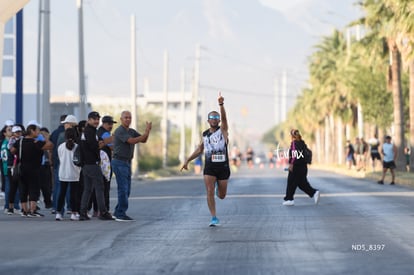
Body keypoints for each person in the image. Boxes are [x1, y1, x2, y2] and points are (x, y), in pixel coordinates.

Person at [180, 93, 230, 226]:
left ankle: (217, 189)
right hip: (210, 167)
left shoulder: (223, 131)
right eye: (211, 117)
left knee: (222, 195)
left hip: (223, 167)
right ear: (208, 121)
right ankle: (214, 217)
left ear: (218, 121)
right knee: (209, 190)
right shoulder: (205, 134)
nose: (214, 119)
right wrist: (187, 160)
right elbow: (200, 149)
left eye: (216, 117)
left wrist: (221, 105)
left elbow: (225, 119)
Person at [112, 111, 152, 222]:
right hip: (119, 162)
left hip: (126, 163)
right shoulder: (119, 131)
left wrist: (147, 131)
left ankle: (118, 211)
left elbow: (143, 140)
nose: (128, 119)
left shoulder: (131, 131)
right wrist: (145, 134)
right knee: (123, 189)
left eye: (129, 117)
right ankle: (121, 214)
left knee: (126, 189)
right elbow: (132, 141)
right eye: (125, 117)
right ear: (121, 119)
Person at [11, 123, 53, 217]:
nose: (38, 132)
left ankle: (24, 210)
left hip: (22, 168)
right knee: (34, 189)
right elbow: (50, 145)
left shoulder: (20, 141)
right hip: (34, 169)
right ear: (32, 131)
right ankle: (33, 210)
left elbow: (12, 150)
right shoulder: (37, 143)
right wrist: (44, 137)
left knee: (23, 189)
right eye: (37, 130)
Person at [79, 111, 114, 221]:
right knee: (100, 188)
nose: (96, 121)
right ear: (89, 120)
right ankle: (103, 212)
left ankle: (83, 212)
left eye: (98, 119)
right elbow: (94, 147)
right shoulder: (89, 132)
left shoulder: (89, 131)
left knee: (88, 189)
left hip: (87, 165)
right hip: (91, 164)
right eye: (94, 119)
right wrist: (101, 144)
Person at [283, 129, 320, 206]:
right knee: (302, 184)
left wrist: (291, 165)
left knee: (291, 182)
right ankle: (314, 193)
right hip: (303, 167)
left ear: (292, 136)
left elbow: (294, 155)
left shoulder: (294, 143)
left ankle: (289, 199)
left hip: (296, 167)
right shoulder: (303, 143)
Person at [56, 128, 82, 221]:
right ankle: (74, 213)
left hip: (63, 172)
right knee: (74, 194)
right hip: (74, 173)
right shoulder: (77, 147)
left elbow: (60, 158)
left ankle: (58, 213)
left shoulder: (61, 147)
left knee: (61, 193)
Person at [50, 114, 67, 214]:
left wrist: (52, 160)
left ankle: (56, 207)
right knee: (68, 186)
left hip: (57, 162)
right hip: (66, 162)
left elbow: (51, 148)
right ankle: (69, 207)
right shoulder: (67, 133)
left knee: (57, 185)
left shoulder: (55, 133)